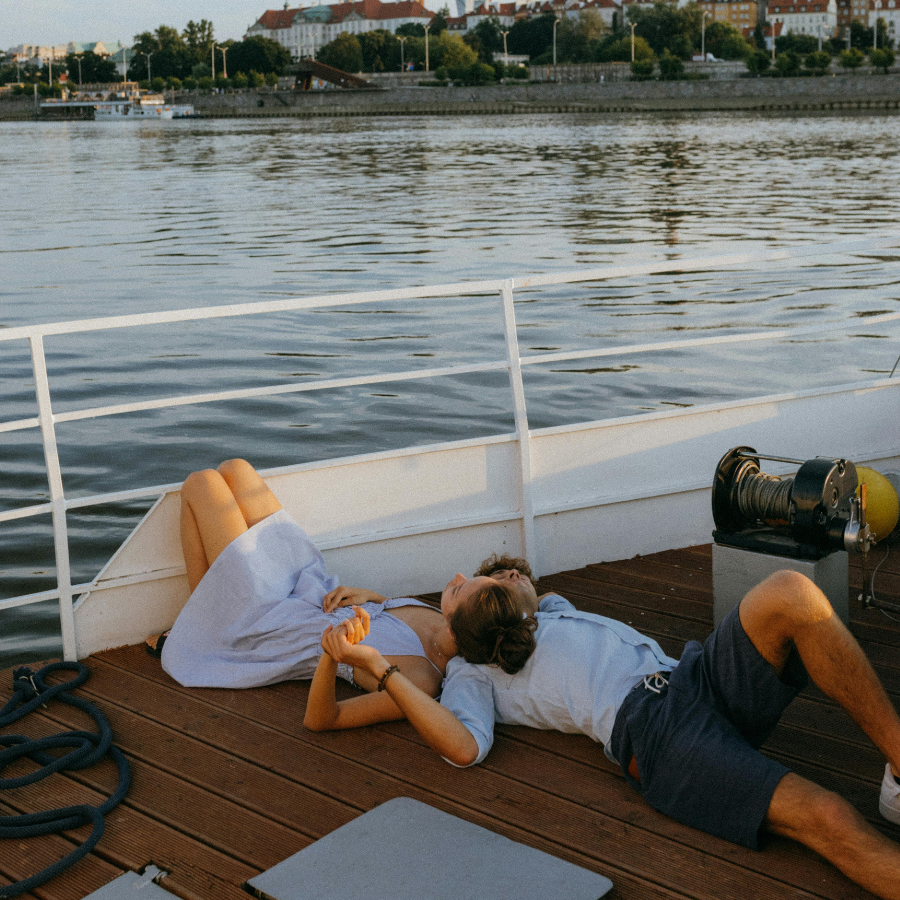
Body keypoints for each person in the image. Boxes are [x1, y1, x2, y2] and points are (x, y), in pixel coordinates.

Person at [321, 554, 900, 900]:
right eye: (469, 585)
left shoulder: (549, 610)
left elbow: (524, 594)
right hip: (658, 735)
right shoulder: (475, 675)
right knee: (827, 815)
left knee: (791, 592)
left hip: (690, 675)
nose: (484, 573)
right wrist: (387, 670)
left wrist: (388, 598)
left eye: (494, 574)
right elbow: (464, 747)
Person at [148, 459, 457, 729]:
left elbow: (327, 717)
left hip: (280, 624)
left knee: (200, 484)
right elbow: (393, 623)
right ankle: (208, 611)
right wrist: (373, 597)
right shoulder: (439, 616)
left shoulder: (422, 681)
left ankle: (203, 621)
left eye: (467, 588)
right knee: (235, 469)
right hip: (312, 589)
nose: (459, 578)